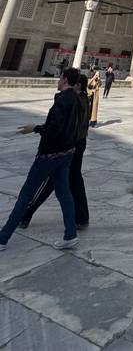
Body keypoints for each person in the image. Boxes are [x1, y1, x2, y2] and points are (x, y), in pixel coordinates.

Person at [0, 68, 82, 251]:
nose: (58, 80)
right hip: (67, 153)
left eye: (60, 77)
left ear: (66, 79)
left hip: (50, 155)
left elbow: (55, 129)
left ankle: (3, 237)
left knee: (26, 195)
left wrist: (35, 127)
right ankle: (70, 235)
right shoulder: (77, 99)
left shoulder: (62, 101)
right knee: (64, 194)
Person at [20, 72, 90, 230]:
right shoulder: (84, 99)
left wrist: (36, 128)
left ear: (76, 85)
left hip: (68, 144)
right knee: (72, 180)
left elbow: (57, 127)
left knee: (52, 180)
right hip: (79, 142)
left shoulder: (71, 100)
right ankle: (81, 218)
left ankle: (27, 213)